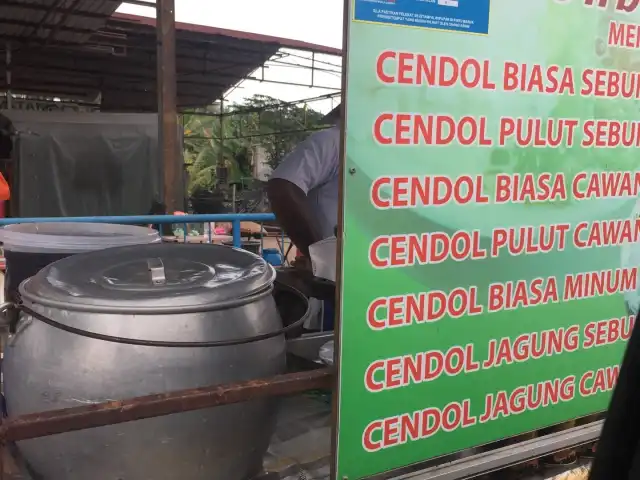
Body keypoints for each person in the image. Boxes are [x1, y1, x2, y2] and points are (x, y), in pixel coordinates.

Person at [266, 124, 340, 261]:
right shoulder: (333, 141)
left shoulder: (385, 151)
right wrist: (322, 257)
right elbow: (283, 188)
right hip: (335, 269)